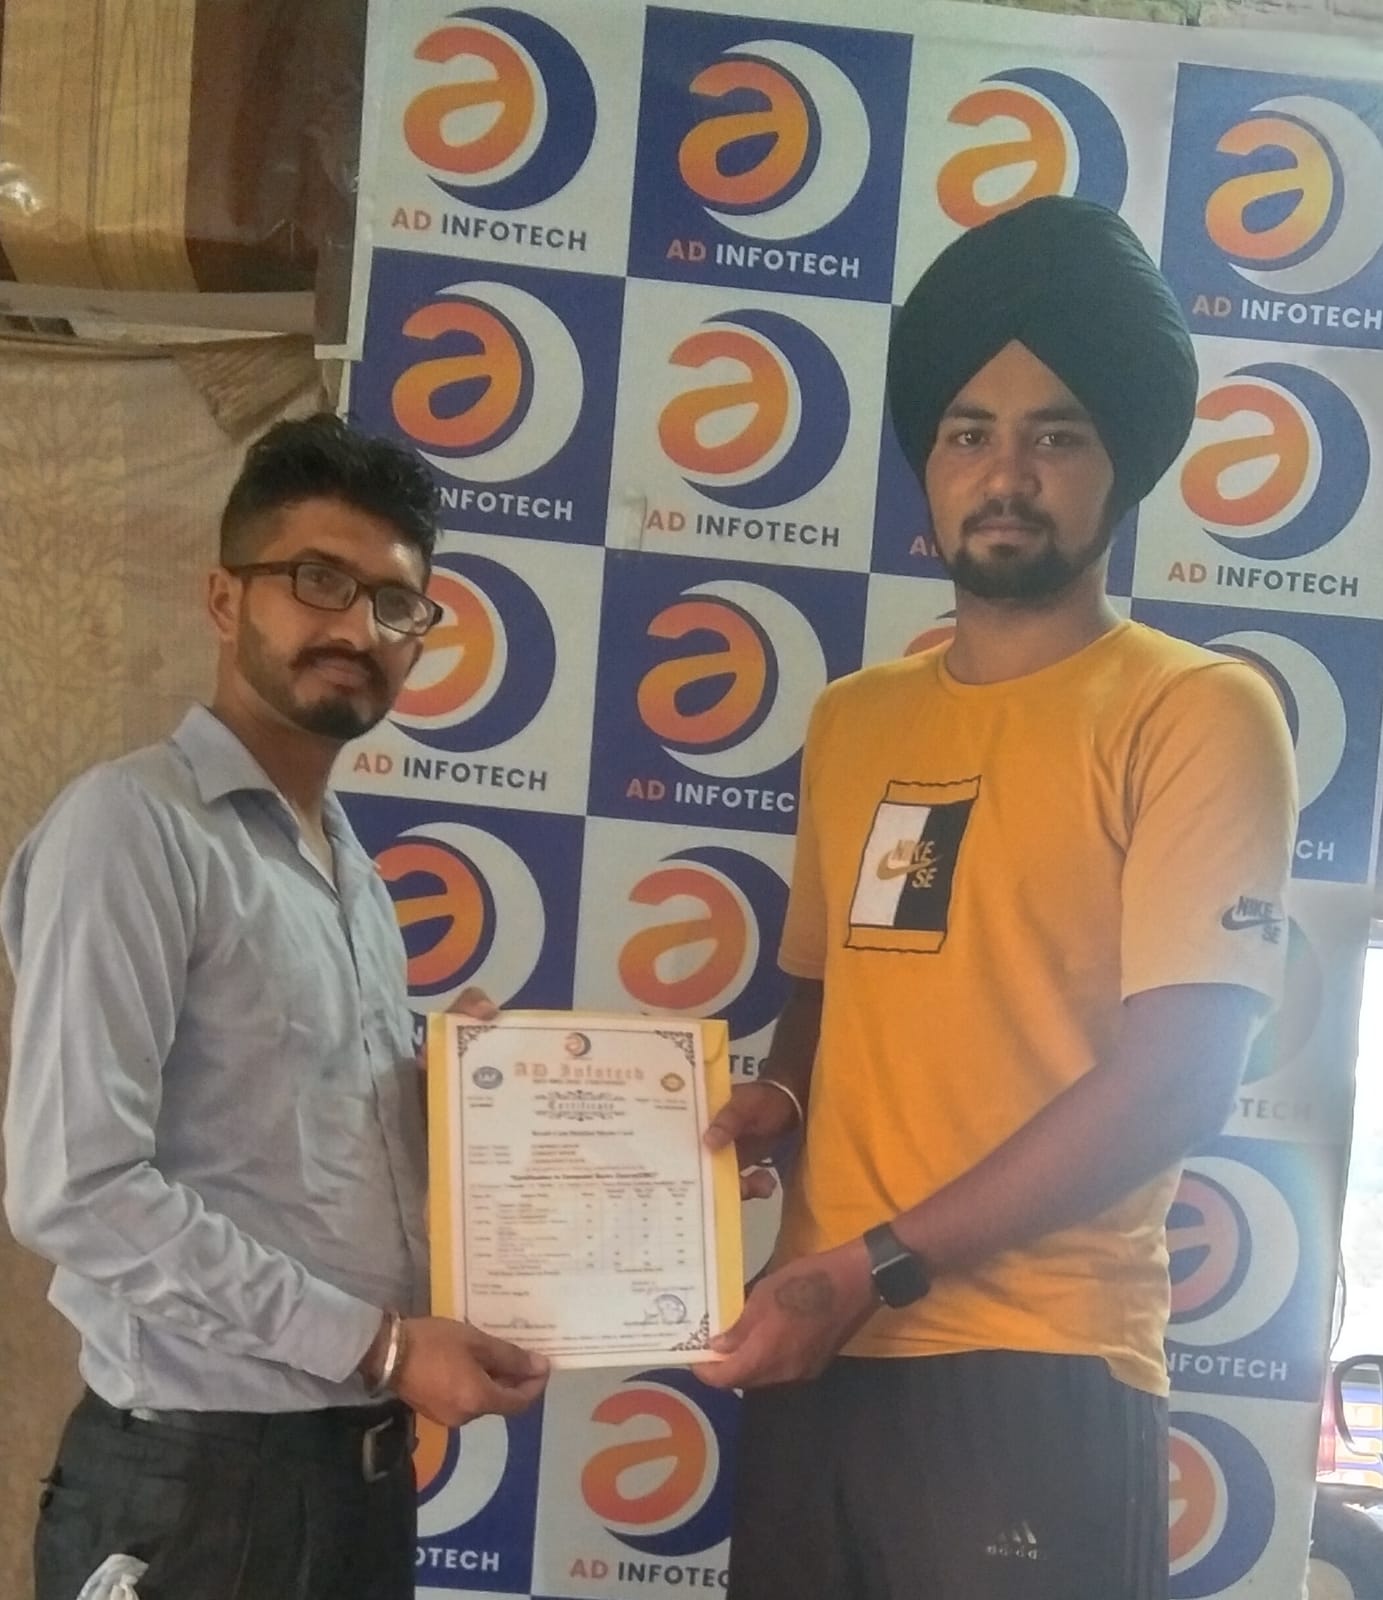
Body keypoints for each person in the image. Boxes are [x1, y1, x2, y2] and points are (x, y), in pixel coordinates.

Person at [698, 196, 1298, 1600]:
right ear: (929, 460)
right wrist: (779, 1093)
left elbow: (1176, 1083)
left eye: (1057, 436)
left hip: (1035, 1367)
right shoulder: (855, 719)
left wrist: (873, 1266)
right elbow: (823, 990)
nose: (1007, 473)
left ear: (1119, 464)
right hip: (819, 1350)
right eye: (968, 433)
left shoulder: (1196, 712)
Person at [3, 415, 548, 1600]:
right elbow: (74, 1184)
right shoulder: (132, 830)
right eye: (316, 580)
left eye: (395, 603)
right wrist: (383, 1345)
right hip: (199, 1495)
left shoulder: (349, 870)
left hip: (354, 1477)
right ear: (222, 597)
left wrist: (469, 1112)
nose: (356, 629)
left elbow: (294, 1144)